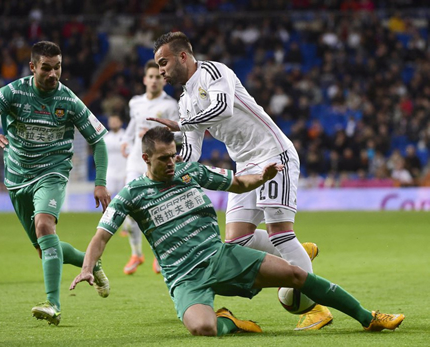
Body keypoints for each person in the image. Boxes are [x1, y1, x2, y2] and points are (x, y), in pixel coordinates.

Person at [70, 127, 405, 336]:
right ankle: (231, 322)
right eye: (163, 159)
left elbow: (237, 182)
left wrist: (262, 176)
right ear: (145, 158)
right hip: (184, 278)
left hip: (220, 256)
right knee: (203, 328)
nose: (171, 163)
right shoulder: (132, 194)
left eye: (173, 156)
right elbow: (101, 236)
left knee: (295, 274)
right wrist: (88, 268)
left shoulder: (190, 172)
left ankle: (367, 316)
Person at [149, 31, 331, 330]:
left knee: (280, 233)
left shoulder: (214, 72)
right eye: (158, 65)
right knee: (237, 240)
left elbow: (224, 108)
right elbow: (193, 151)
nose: (161, 70)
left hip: (273, 154)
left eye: (164, 62)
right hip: (245, 165)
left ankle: (315, 308)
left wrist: (182, 125)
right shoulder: (184, 102)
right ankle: (297, 255)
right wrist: (173, 170)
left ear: (183, 56)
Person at [0, 41, 111, 327]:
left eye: (57, 67)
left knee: (45, 226)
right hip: (17, 178)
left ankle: (53, 304)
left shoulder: (68, 100)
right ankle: (91, 263)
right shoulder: (12, 92)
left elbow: (97, 141)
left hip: (53, 172)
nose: (53, 74)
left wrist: (100, 182)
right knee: (44, 247)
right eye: (46, 68)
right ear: (33, 67)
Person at [119, 59, 179, 275]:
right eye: (150, 77)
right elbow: (134, 124)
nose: (154, 81)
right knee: (129, 209)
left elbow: (179, 133)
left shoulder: (170, 106)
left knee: (159, 210)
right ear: (145, 79)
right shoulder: (135, 102)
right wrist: (125, 140)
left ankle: (160, 255)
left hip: (158, 165)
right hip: (135, 162)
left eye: (158, 77)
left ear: (163, 80)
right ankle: (136, 254)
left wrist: (161, 139)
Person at [103, 114, 127, 196]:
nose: (113, 123)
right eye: (111, 121)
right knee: (107, 195)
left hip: (124, 171)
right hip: (110, 171)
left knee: (124, 196)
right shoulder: (105, 139)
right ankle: (107, 209)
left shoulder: (126, 137)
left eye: (115, 121)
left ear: (120, 122)